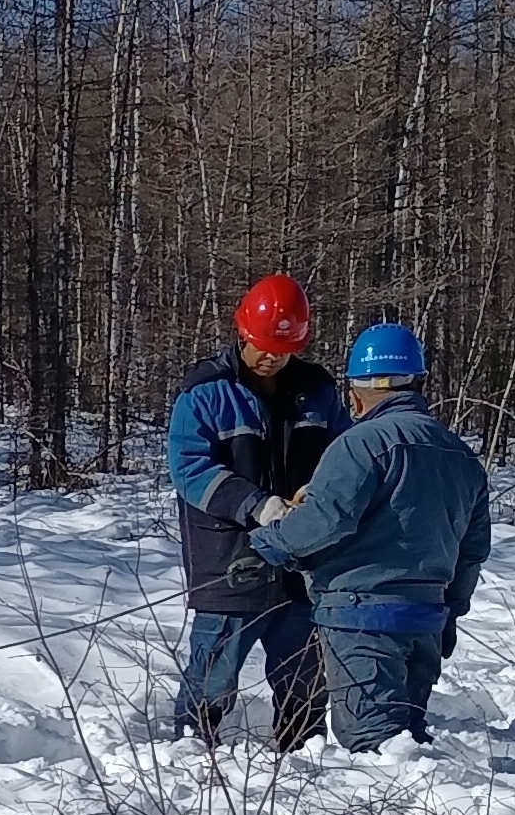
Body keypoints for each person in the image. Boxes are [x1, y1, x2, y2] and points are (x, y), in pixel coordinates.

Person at [244, 320, 492, 752]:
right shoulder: (460, 455)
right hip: (426, 621)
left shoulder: (359, 445)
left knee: (376, 749)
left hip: (361, 621)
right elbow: (472, 553)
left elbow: (324, 520)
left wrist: (267, 543)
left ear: (356, 392)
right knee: (409, 748)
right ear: (417, 382)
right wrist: (451, 610)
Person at [164, 272, 345, 749]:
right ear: (242, 332)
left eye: (283, 349)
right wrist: (257, 505)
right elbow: (189, 471)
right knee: (213, 672)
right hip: (230, 565)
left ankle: (305, 753)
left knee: (307, 673)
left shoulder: (318, 391)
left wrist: (320, 494)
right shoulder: (204, 393)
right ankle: (191, 748)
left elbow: (344, 457)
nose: (272, 357)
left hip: (302, 563)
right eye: (263, 345)